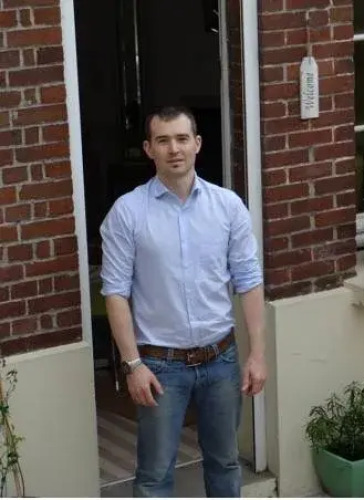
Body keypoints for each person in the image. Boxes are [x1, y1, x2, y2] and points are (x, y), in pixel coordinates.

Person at [100, 106, 266, 497]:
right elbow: (115, 292)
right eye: (163, 140)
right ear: (149, 149)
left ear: (197, 144)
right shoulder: (128, 212)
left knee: (225, 463)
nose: (174, 149)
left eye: (181, 139)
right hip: (160, 366)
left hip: (221, 359)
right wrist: (133, 365)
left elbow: (249, 281)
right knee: (155, 475)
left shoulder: (227, 206)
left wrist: (257, 354)